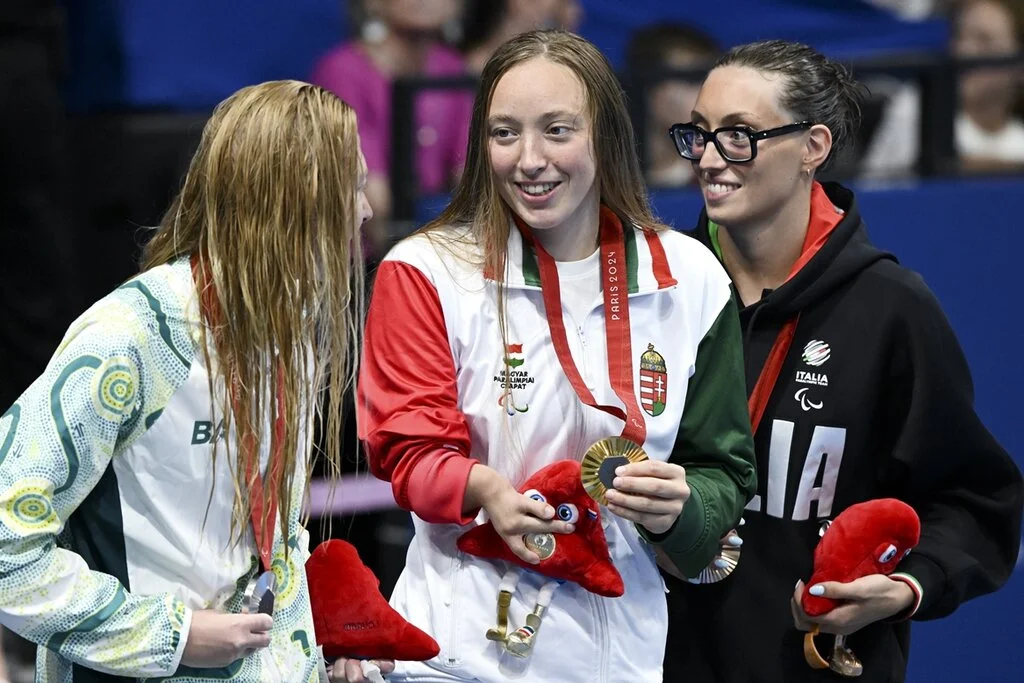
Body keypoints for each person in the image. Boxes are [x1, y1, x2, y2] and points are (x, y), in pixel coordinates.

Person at [357, 29, 757, 683]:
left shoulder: (690, 276)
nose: (529, 159)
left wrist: (680, 511)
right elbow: (408, 451)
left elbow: (722, 471)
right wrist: (486, 489)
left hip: (621, 656)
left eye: (557, 130)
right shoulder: (426, 270)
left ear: (605, 136)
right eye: (504, 133)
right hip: (456, 655)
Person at [663, 39, 1024, 682]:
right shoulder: (657, 294)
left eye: (740, 135)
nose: (710, 159)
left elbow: (976, 501)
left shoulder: (890, 310)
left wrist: (907, 585)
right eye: (700, 134)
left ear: (813, 146)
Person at [0, 80, 384, 683]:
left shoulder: (287, 329)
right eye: (354, 187)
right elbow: (5, 543)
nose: (367, 211)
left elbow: (271, 543)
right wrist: (168, 636)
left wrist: (310, 653)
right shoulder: (131, 338)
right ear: (298, 201)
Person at [310, 0, 472, 258]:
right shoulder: (342, 71)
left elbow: (469, 173)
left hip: (439, 241)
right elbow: (370, 193)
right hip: (365, 253)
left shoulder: (452, 67)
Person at [623, 22, 721, 188]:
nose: (708, 92)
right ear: (651, 90)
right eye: (693, 80)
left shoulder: (718, 181)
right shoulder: (606, 184)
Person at [952, 0, 1024, 172]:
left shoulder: (1020, 143)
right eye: (960, 36)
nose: (964, 51)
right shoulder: (918, 120)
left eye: (984, 40)